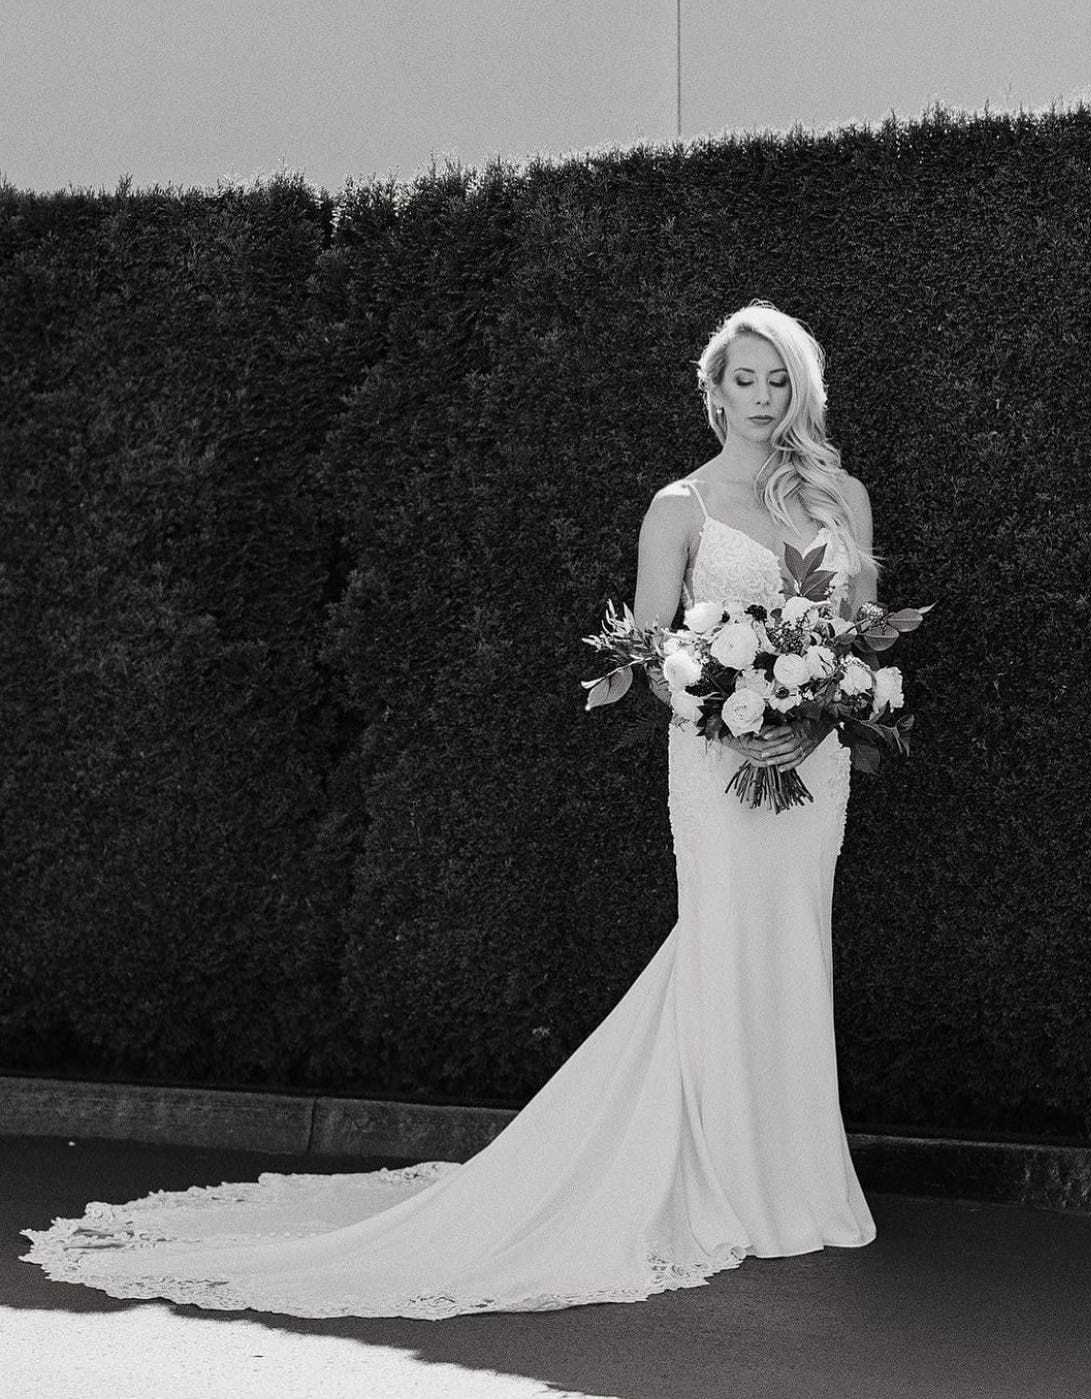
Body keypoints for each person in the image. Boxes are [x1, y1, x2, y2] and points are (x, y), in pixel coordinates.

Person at [21, 301, 881, 1318]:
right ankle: (729, 1184)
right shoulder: (678, 506)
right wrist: (730, 721)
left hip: (811, 765)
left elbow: (856, 633)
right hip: (716, 761)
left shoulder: (840, 496)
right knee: (724, 943)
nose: (762, 397)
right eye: (745, 379)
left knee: (794, 943)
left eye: (778, 380)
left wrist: (814, 717)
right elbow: (656, 652)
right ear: (714, 392)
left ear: (799, 390)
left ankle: (798, 1179)